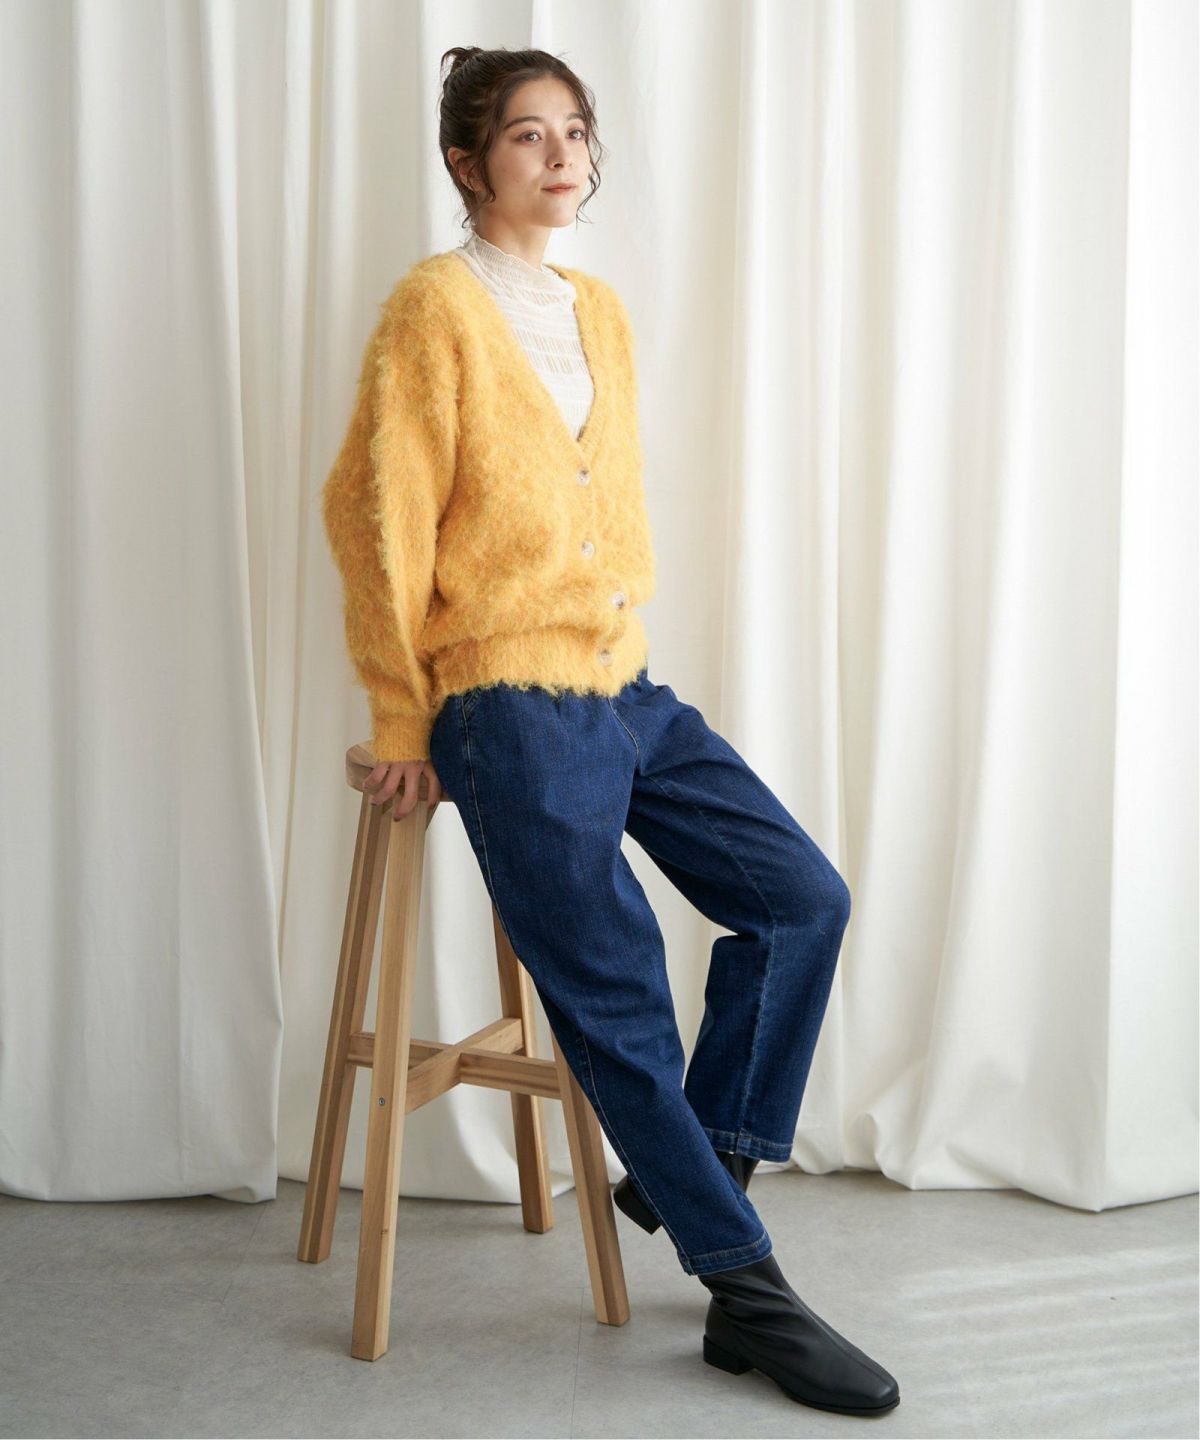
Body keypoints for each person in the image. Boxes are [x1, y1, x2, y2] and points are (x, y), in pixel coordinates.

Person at [321, 44, 900, 1418]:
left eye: (576, 131)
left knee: (800, 899)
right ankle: (749, 1291)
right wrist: (402, 710)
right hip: (505, 705)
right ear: (468, 163)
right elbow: (375, 514)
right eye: (530, 135)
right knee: (622, 990)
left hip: (624, 685)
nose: (563, 155)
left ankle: (698, 1171)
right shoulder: (434, 309)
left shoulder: (601, 312)